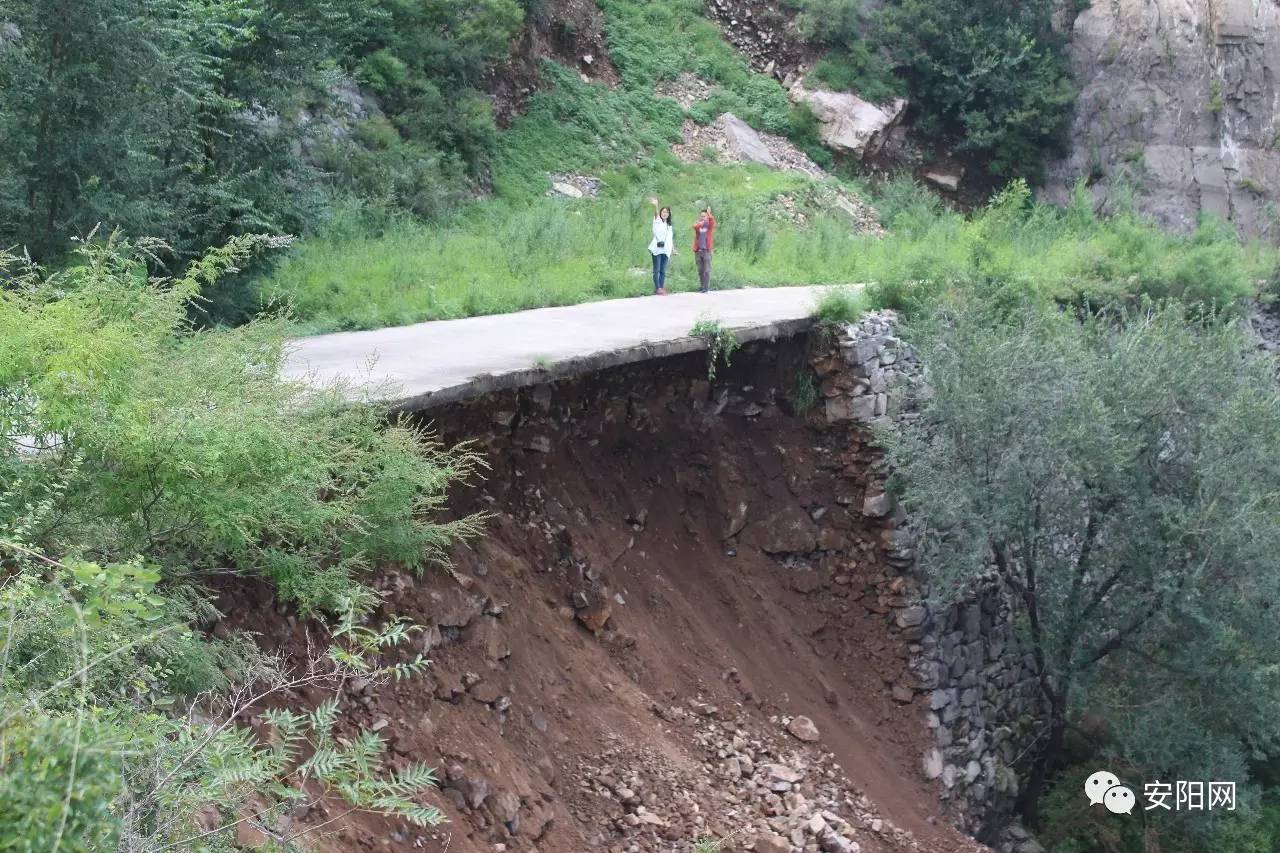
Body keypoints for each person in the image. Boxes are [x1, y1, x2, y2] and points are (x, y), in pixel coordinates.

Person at [648, 197, 675, 295]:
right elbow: (656, 214)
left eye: (667, 212)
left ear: (669, 214)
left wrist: (673, 249)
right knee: (657, 269)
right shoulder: (658, 221)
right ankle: (657, 288)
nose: (665, 214)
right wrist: (656, 205)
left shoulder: (669, 225)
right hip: (657, 249)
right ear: (660, 213)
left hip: (666, 250)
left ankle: (661, 287)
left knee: (663, 270)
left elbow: (670, 239)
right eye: (663, 212)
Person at [692, 205, 716, 292]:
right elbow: (694, 226)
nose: (703, 218)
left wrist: (709, 215)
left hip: (707, 250)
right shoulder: (699, 224)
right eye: (701, 216)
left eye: (704, 216)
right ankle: (702, 286)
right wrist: (701, 223)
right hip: (698, 250)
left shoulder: (709, 226)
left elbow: (712, 222)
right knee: (700, 269)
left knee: (707, 269)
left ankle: (706, 287)